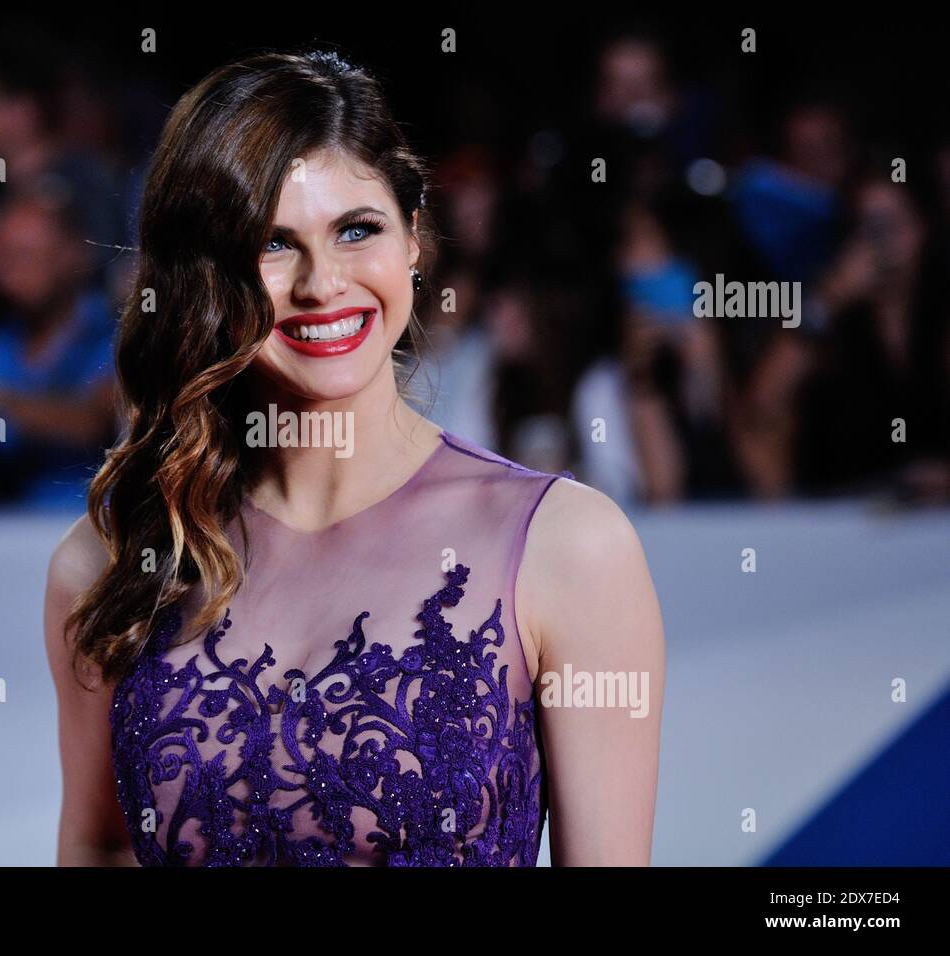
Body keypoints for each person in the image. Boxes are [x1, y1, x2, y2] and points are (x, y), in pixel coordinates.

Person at [44, 50, 665, 866]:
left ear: (414, 237)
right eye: (272, 244)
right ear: (206, 277)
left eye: (357, 230)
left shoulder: (567, 546)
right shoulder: (114, 560)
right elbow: (99, 848)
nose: (321, 284)